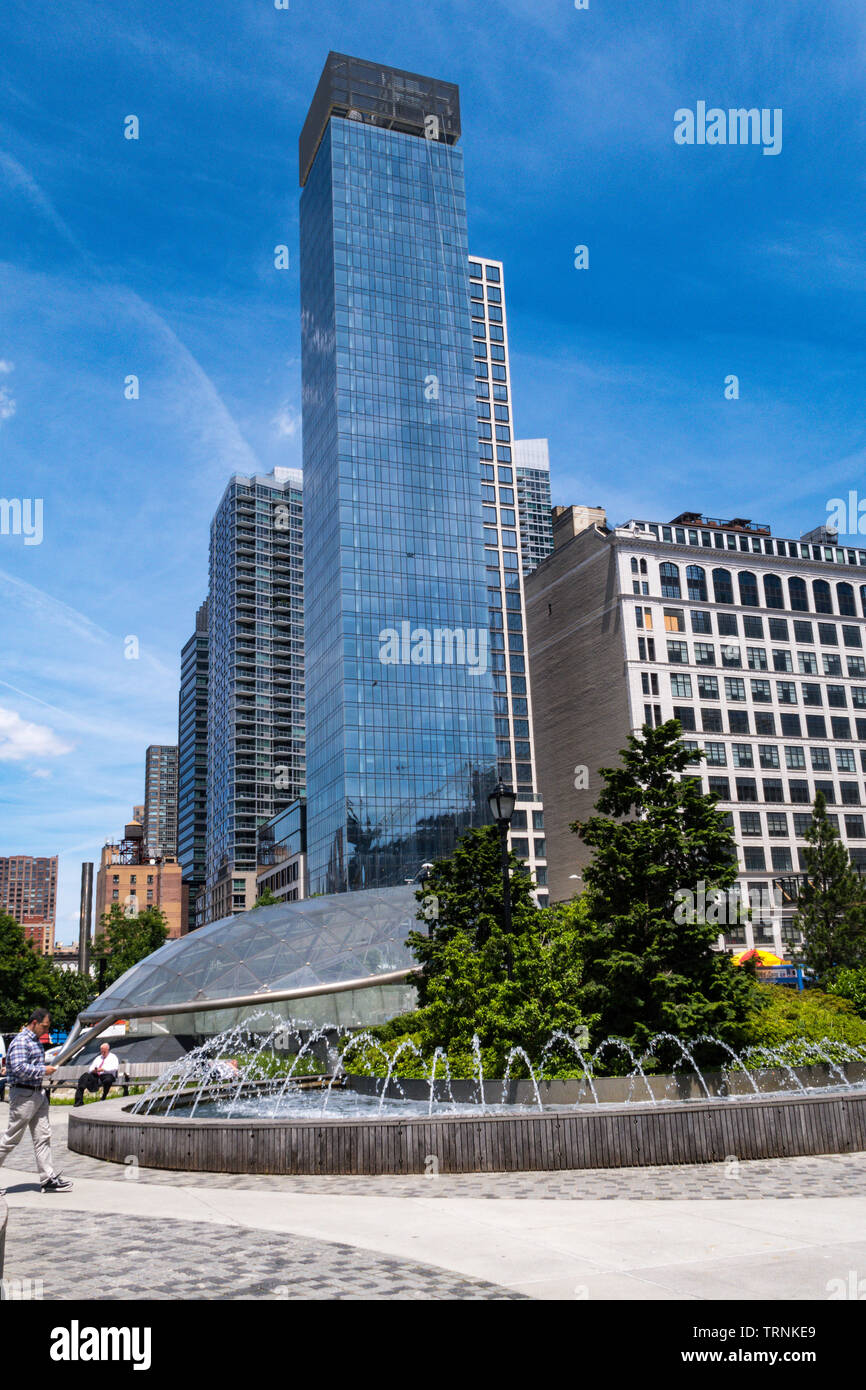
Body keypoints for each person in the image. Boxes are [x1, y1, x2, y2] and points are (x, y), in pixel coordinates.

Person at [0, 1008, 72, 1194]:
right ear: (34, 1023)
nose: (46, 1031)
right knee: (11, 1138)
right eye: (44, 1026)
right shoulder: (21, 1041)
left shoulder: (35, 1042)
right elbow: (17, 1067)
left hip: (37, 1093)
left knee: (43, 1137)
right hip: (24, 1095)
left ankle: (47, 1178)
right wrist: (42, 1070)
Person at [73, 1042, 120, 1106]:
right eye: (101, 1051)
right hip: (97, 1075)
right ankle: (79, 1101)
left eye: (104, 1051)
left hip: (107, 1074)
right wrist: (94, 1070)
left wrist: (103, 1069)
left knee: (108, 1080)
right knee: (84, 1077)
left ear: (108, 1050)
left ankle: (104, 1096)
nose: (102, 1053)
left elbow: (115, 1067)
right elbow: (91, 1068)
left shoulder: (113, 1057)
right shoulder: (98, 1058)